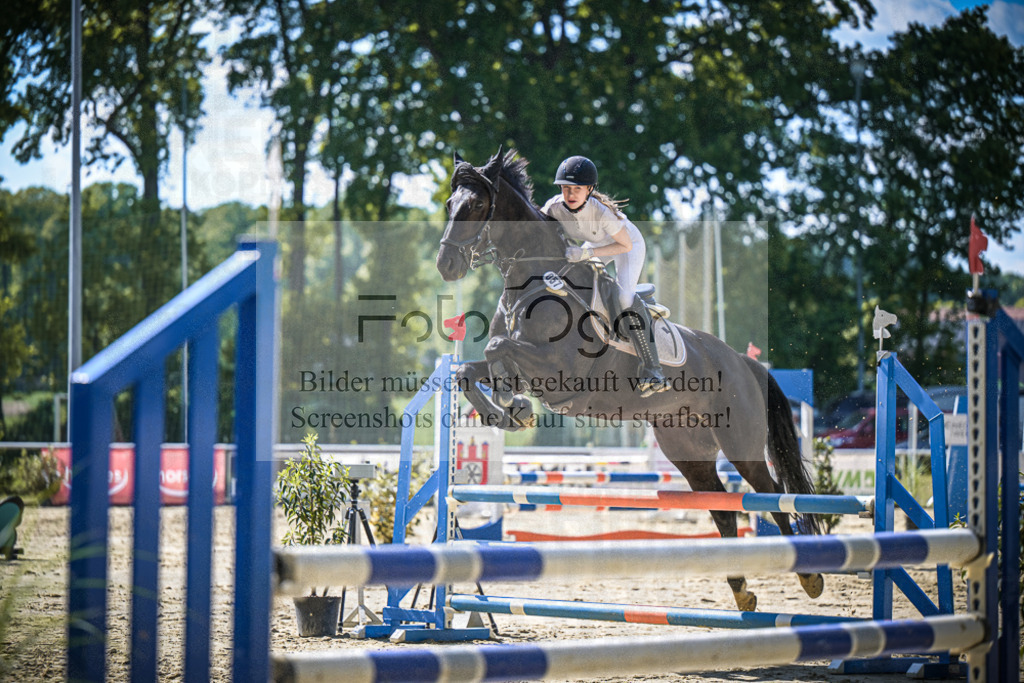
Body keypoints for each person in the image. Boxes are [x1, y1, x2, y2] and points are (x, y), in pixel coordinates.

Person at [541, 155, 668, 396]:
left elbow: (624, 245)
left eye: (577, 189)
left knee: (624, 298)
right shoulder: (553, 207)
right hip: (597, 243)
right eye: (566, 188)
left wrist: (587, 253)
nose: (570, 194)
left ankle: (654, 370)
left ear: (589, 189)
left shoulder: (601, 213)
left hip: (627, 245)